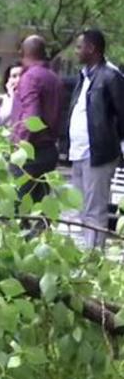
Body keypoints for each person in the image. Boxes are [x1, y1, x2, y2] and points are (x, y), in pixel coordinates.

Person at [67, 29, 124, 248]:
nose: (76, 51)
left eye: (79, 47)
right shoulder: (84, 75)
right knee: (80, 208)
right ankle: (84, 257)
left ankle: (93, 260)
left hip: (98, 153)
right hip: (79, 151)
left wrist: (116, 144)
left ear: (91, 49)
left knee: (95, 209)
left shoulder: (111, 76)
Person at [10, 35, 63, 203]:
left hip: (30, 153)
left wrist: (19, 145)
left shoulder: (30, 77)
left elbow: (32, 117)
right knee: (40, 209)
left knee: (17, 209)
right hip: (49, 151)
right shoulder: (54, 77)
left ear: (23, 52)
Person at [0, 62, 22, 127]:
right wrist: (12, 98)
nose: (18, 80)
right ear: (8, 79)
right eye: (14, 76)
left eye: (21, 75)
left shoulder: (30, 99)